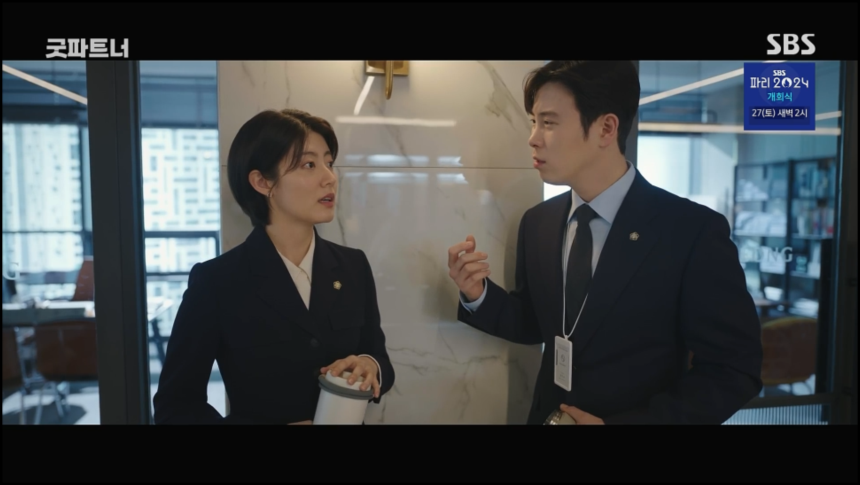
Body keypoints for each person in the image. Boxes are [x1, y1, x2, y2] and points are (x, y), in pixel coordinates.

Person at [447, 61, 762, 425]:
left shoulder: (690, 231)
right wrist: (478, 294)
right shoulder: (538, 222)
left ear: (606, 128)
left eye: (549, 123)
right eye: (534, 121)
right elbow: (537, 322)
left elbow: (733, 370)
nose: (533, 137)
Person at [153, 109, 394, 424]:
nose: (330, 177)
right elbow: (176, 407)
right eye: (309, 165)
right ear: (262, 181)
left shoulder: (353, 266)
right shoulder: (216, 281)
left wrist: (370, 365)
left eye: (329, 163)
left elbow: (379, 360)